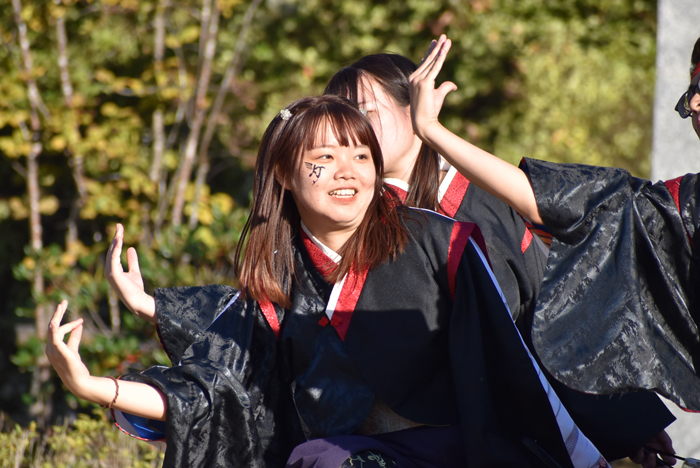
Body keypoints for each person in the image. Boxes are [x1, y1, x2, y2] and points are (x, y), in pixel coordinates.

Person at [47, 95, 611, 468]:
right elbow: (210, 388)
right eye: (324, 155)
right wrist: (93, 385)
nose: (348, 170)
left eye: (361, 154)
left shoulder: (440, 243)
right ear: (285, 176)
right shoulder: (278, 282)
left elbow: (514, 361)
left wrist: (590, 455)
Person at [323, 38, 676, 466]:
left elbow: (552, 312)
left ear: (415, 106)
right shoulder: (341, 217)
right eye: (339, 118)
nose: (349, 130)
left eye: (364, 112)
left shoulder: (478, 204)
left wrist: (628, 421)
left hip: (502, 429)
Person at [407, 33, 700, 430]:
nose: (695, 102)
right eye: (693, 89)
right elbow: (560, 201)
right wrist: (430, 130)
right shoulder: (683, 205)